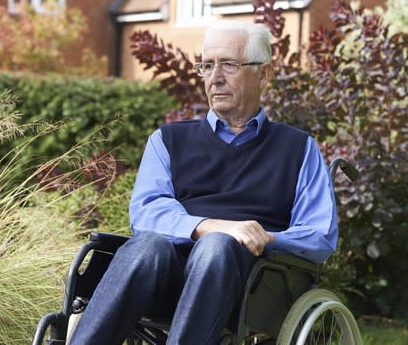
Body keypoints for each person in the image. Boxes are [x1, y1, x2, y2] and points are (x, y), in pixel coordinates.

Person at [69, 21, 337, 344]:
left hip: (251, 287)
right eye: (207, 66)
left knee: (217, 247)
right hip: (164, 280)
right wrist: (211, 226)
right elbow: (146, 213)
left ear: (263, 75)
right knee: (146, 245)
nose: (215, 77)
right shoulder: (168, 140)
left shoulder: (298, 148)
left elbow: (319, 235)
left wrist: (262, 237)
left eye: (228, 65)